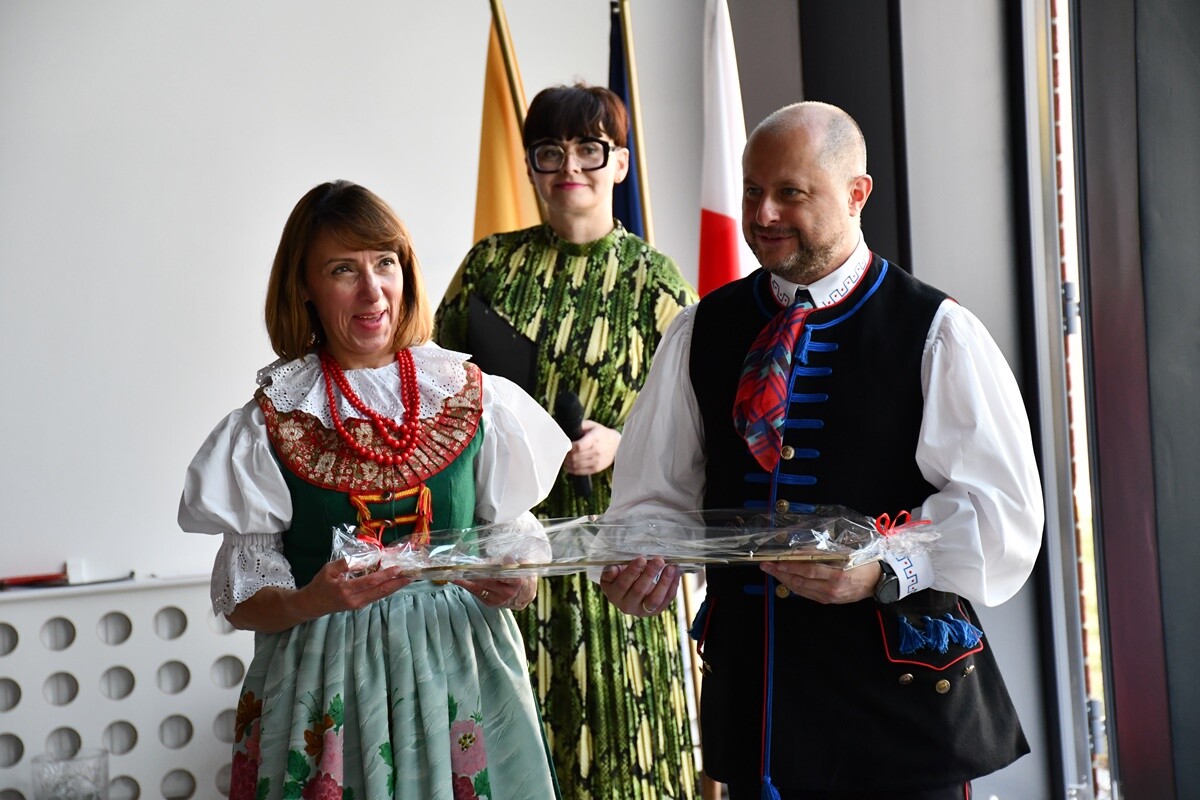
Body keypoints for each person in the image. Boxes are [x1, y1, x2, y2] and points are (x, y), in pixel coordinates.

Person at [600, 101, 1045, 799]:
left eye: (791, 192)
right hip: (756, 712)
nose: (764, 213)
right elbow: (654, 499)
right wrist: (644, 563)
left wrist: (883, 569)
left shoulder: (937, 332)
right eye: (753, 190)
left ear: (856, 193)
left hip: (898, 718)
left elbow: (1001, 517)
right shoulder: (700, 330)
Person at [178, 180, 570, 800]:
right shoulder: (271, 421)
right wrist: (312, 599)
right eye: (343, 270)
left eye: (384, 263)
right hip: (326, 682)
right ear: (304, 287)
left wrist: (516, 583)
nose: (372, 291)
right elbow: (242, 600)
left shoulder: (474, 397)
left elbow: (517, 552)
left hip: (460, 672)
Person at [434, 83, 700, 800]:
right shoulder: (490, 266)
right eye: (550, 151)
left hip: (622, 553)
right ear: (529, 165)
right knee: (515, 749)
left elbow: (700, 419)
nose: (570, 167)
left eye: (590, 149)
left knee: (626, 753)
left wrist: (622, 441)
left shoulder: (655, 279)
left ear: (621, 164)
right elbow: (438, 395)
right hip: (513, 550)